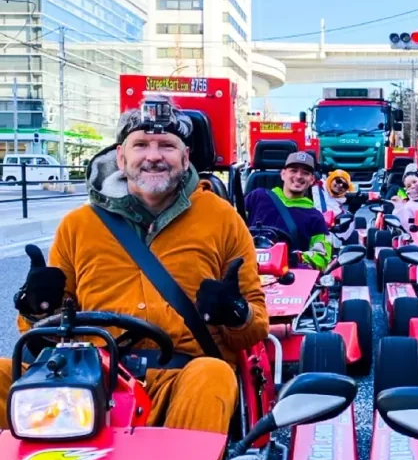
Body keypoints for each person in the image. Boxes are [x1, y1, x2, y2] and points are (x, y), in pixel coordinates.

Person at [0, 96, 269, 437]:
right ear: (121, 156)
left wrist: (234, 312)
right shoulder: (77, 225)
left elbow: (256, 327)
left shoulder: (223, 219)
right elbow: (42, 335)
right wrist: (37, 308)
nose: (153, 156)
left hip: (183, 375)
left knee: (212, 375)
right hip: (88, 376)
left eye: (167, 146)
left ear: (185, 158)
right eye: (141, 144)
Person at [245, 151, 332, 270]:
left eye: (305, 173)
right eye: (293, 170)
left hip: (290, 277)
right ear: (283, 174)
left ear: (312, 180)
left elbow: (322, 258)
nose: (299, 176)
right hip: (248, 269)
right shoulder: (257, 197)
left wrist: (297, 257)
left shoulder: (315, 217)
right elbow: (231, 228)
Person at [312, 168, 357, 246]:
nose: (340, 185)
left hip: (323, 239)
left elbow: (344, 236)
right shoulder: (316, 185)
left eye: (345, 185)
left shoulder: (340, 209)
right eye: (338, 181)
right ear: (331, 178)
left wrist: (352, 211)